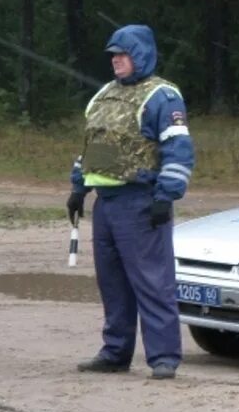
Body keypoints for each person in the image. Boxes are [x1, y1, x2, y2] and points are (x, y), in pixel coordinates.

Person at [68, 24, 195, 380]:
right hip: (106, 204)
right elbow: (90, 146)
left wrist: (164, 197)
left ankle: (164, 357)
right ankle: (115, 352)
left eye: (121, 55)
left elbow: (179, 151)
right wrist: (78, 188)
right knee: (112, 284)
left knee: (153, 282)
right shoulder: (103, 95)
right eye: (112, 56)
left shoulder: (163, 97)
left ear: (139, 55)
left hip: (140, 201)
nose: (115, 61)